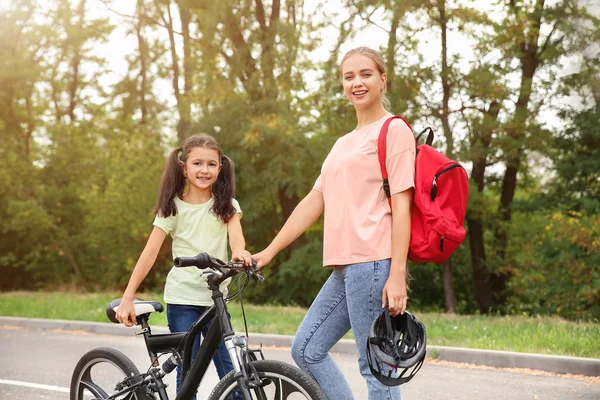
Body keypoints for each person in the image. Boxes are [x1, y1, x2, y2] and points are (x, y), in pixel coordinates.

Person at [252, 46, 415, 400]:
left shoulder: (394, 130)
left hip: (373, 262)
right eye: (349, 76)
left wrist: (397, 274)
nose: (357, 82)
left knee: (376, 366)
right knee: (307, 349)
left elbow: (403, 207)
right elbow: (314, 201)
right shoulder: (343, 143)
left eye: (365, 74)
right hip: (345, 266)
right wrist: (269, 251)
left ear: (383, 79)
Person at [116, 134, 251, 399]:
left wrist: (241, 254)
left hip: (216, 300)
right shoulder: (173, 207)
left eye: (211, 164)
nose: (204, 170)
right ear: (184, 168)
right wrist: (128, 296)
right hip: (183, 297)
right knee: (187, 371)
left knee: (234, 370)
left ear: (220, 167)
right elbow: (150, 252)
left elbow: (237, 241)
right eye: (198, 163)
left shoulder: (226, 206)